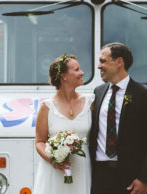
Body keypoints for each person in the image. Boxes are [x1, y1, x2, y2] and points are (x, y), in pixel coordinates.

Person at [90, 42, 147, 194]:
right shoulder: (98, 92)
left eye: (103, 61)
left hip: (132, 179)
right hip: (100, 176)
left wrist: (145, 179)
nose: (98, 66)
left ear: (119, 62)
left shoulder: (145, 94)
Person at [34, 54, 94, 194]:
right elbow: (39, 141)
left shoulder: (90, 103)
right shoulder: (47, 107)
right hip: (55, 172)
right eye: (77, 69)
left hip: (82, 169)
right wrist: (53, 160)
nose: (82, 73)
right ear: (64, 76)